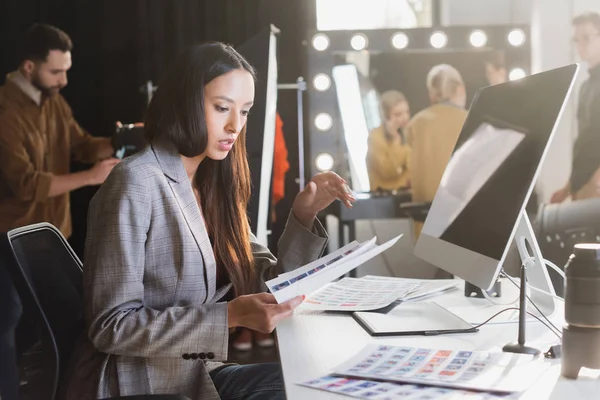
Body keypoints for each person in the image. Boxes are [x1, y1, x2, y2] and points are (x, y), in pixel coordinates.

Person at [63, 42, 355, 400]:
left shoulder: (215, 183)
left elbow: (265, 286)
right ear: (184, 101)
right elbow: (111, 326)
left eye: (245, 111)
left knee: (328, 385)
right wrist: (228, 316)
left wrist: (304, 214)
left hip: (197, 375)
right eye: (222, 108)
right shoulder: (135, 182)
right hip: (144, 384)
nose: (235, 125)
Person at [0, 23, 119, 238]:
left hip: (56, 235)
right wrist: (90, 177)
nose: (63, 81)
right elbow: (25, 185)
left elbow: (81, 145)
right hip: (16, 240)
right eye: (56, 72)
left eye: (66, 71)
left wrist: (119, 141)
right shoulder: (5, 111)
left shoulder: (55, 101)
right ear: (28, 67)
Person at [406, 64, 468, 240]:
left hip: (424, 222)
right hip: (462, 221)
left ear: (432, 94)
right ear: (460, 89)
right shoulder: (471, 120)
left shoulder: (416, 122)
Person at [551, 11, 600, 203]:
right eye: (577, 40)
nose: (581, 45)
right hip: (583, 185)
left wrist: (596, 181)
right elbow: (584, 141)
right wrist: (568, 187)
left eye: (586, 38)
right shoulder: (586, 87)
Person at [366, 90, 412, 191]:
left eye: (407, 112)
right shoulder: (375, 138)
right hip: (385, 197)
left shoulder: (408, 132)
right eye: (398, 114)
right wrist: (396, 140)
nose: (405, 117)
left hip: (408, 194)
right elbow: (388, 172)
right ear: (386, 117)